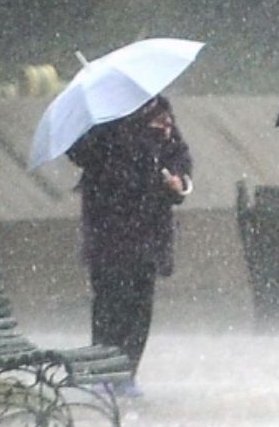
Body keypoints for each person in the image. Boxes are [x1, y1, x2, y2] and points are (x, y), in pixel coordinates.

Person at [66, 94, 193, 397]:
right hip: (109, 227)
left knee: (139, 303)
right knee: (109, 301)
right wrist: (127, 128)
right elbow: (82, 154)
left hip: (149, 227)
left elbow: (179, 156)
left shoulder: (160, 110)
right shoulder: (102, 117)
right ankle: (103, 369)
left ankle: (127, 372)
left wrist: (178, 181)